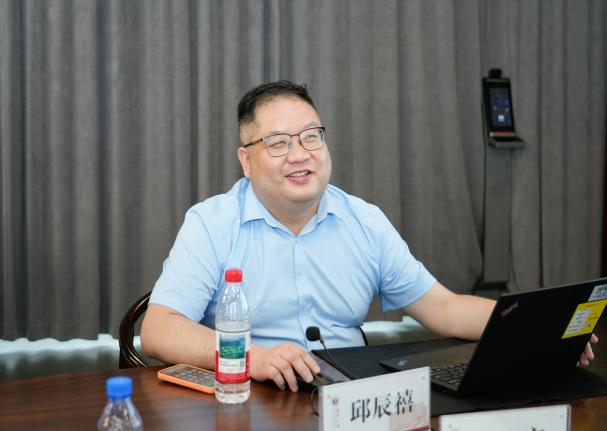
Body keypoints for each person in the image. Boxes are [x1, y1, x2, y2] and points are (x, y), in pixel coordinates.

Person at [141, 80, 598, 392]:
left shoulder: (363, 221)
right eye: (278, 143)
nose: (300, 154)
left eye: (311, 136)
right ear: (246, 160)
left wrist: (542, 330)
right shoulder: (212, 223)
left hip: (352, 398)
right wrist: (251, 357)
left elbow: (443, 308)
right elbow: (159, 330)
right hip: (247, 394)